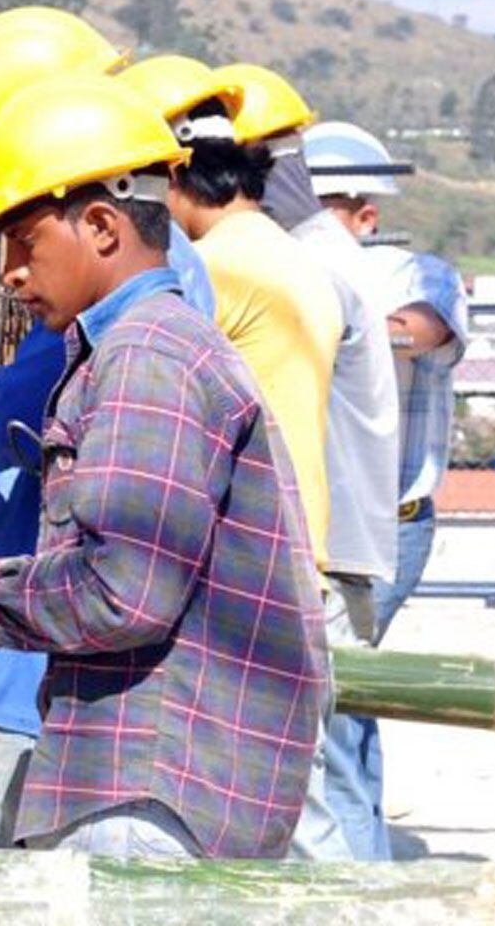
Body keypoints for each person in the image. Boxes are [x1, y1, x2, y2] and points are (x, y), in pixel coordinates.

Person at [0, 74, 329, 859]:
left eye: (23, 241)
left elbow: (120, 592)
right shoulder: (134, 347)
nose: (8, 270)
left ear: (102, 226)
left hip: (151, 790)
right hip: (143, 775)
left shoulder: (146, 357)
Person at [0, 11, 218, 852]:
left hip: (60, 683)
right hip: (41, 662)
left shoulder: (137, 332)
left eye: (21, 235)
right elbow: (63, 475)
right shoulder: (127, 304)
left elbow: (22, 424)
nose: (10, 271)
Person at [131, 61, 393, 860]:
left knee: (299, 815)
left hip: (258, 562)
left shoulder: (219, 268)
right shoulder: (283, 254)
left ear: (173, 178)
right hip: (298, 545)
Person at [309, 119, 472, 860]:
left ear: (364, 214)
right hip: (329, 517)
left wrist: (331, 318)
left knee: (337, 692)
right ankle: (361, 849)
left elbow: (425, 327)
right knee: (349, 689)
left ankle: (352, 863)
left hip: (390, 522)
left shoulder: (416, 273)